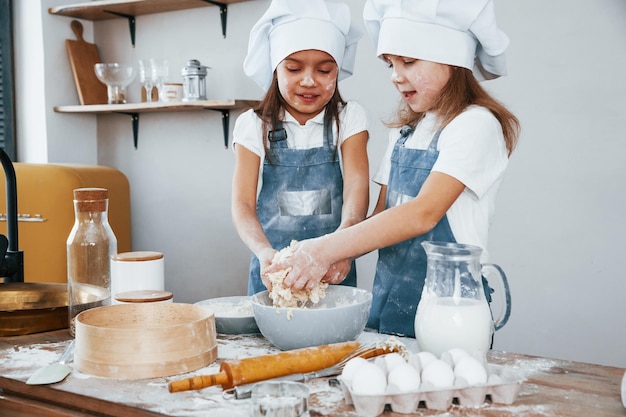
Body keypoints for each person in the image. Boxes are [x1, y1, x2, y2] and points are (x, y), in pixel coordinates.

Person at [266, 0, 520, 337]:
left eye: (409, 61)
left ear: (452, 60)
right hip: (391, 300)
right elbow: (383, 214)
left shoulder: (475, 125)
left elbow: (422, 213)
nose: (396, 77)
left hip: (450, 311)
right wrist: (340, 254)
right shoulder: (406, 132)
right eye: (391, 64)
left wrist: (323, 248)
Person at [232, 0, 370, 295]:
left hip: (333, 268)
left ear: (337, 71)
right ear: (275, 69)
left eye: (324, 70)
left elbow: (357, 187)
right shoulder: (254, 124)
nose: (309, 81)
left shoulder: (348, 118)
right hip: (273, 271)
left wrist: (343, 247)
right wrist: (263, 251)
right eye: (294, 68)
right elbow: (242, 205)